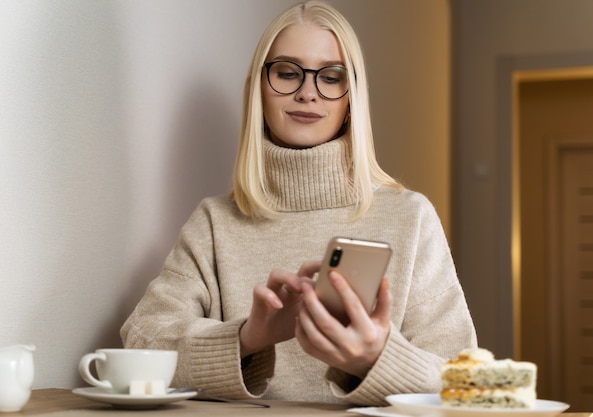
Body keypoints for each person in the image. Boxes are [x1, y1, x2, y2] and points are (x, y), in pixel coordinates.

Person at [121, 0, 477, 406]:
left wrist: (374, 359)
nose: (309, 93)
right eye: (288, 73)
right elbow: (142, 343)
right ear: (259, 87)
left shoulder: (410, 217)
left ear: (351, 98)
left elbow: (461, 379)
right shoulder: (215, 222)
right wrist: (249, 337)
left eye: (331, 77)